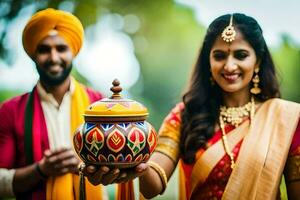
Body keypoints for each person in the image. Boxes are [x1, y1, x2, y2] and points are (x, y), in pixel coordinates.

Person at [83, 13, 300, 199]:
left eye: (241, 55)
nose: (229, 65)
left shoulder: (285, 119)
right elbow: (154, 182)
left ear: (258, 61)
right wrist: (134, 167)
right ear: (208, 60)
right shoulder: (185, 115)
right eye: (220, 56)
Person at [0, 8, 108, 199]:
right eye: (44, 49)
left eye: (61, 48)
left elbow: (118, 167)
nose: (54, 58)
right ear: (33, 55)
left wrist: (86, 166)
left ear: (73, 52)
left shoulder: (99, 104)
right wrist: (41, 170)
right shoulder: (11, 111)